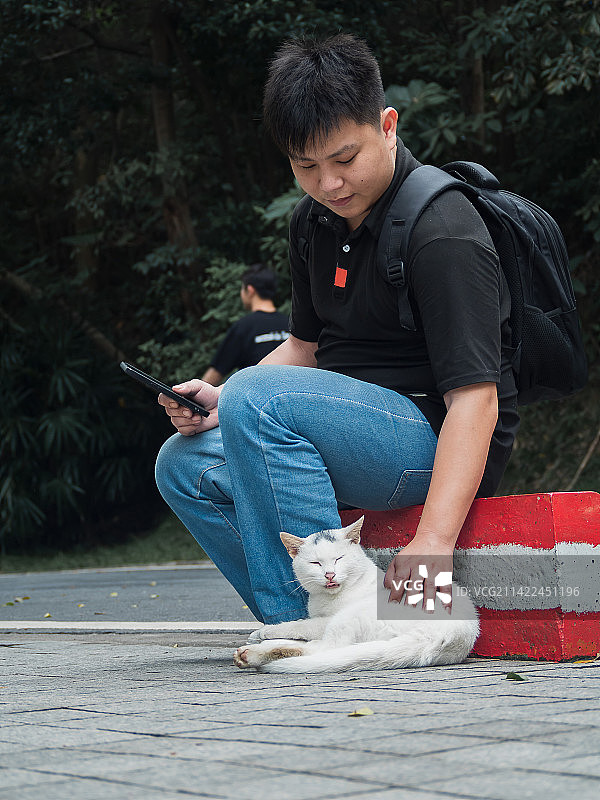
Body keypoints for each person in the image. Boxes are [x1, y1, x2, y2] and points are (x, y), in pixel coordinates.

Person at [155, 34, 519, 625]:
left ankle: (316, 629)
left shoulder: (443, 229)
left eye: (345, 160)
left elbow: (477, 400)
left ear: (388, 127)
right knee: (184, 464)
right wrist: (221, 401)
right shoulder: (313, 223)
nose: (329, 184)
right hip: (344, 425)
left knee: (255, 396)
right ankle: (300, 625)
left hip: (429, 437)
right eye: (306, 167)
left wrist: (430, 547)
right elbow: (305, 347)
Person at [201, 265, 290, 386]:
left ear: (250, 290)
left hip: (256, 396)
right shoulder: (291, 324)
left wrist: (195, 394)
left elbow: (217, 371)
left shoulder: (244, 327)